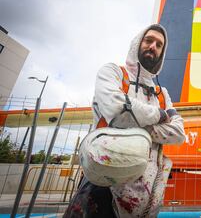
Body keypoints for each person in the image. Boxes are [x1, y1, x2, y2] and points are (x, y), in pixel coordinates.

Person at [64, 24, 185, 218]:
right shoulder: (113, 73)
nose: (153, 46)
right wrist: (161, 116)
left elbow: (178, 134)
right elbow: (116, 110)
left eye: (159, 44)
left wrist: (134, 121)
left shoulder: (162, 94)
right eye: (149, 40)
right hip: (102, 185)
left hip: (145, 197)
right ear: (137, 43)